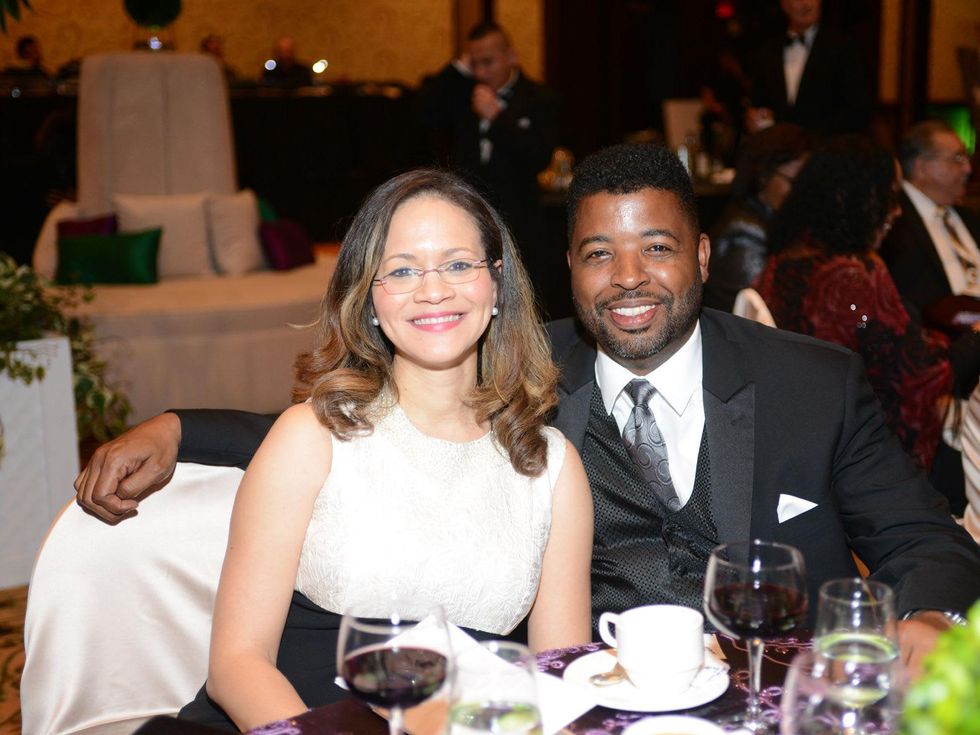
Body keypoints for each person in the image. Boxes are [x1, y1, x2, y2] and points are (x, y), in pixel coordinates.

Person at [74, 144, 980, 681]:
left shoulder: (810, 383)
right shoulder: (526, 369)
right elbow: (371, 426)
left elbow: (927, 539)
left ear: (704, 257)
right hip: (597, 700)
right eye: (598, 253)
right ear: (567, 269)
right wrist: (178, 428)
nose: (628, 278)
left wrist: (931, 621)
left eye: (657, 248)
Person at [157, 169, 592, 729]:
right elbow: (237, 665)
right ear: (368, 298)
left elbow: (557, 680)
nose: (433, 290)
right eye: (403, 270)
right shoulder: (310, 436)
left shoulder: (550, 467)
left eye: (458, 264)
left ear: (497, 284)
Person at [756, 136, 952, 471]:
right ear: (856, 198)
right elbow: (911, 377)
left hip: (799, 436)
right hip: (859, 450)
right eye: (889, 196)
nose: (897, 210)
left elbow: (871, 338)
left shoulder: (783, 261)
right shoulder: (853, 275)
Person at [416, 22, 559, 313]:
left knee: (520, 303)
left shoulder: (540, 97)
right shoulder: (463, 93)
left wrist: (497, 118)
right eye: (475, 63)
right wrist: (459, 67)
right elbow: (422, 112)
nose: (481, 72)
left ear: (511, 56)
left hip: (520, 221)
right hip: (469, 216)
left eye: (488, 62)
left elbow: (539, 157)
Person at [881, 120, 980, 334]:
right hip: (939, 336)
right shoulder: (892, 220)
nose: (968, 169)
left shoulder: (970, 219)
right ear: (922, 167)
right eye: (958, 159)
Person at [703, 123, 812, 311]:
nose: (803, 192)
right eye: (795, 181)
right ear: (764, 176)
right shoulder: (744, 234)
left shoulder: (768, 219)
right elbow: (760, 313)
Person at [745, 0, 870, 137]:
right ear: (783, 4)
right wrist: (753, 118)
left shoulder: (842, 48)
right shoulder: (767, 53)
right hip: (777, 147)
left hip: (828, 147)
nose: (806, 4)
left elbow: (858, 110)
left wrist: (812, 139)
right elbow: (758, 103)